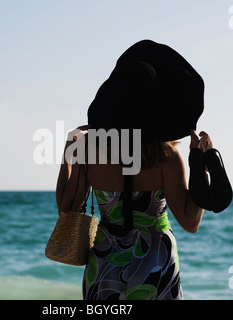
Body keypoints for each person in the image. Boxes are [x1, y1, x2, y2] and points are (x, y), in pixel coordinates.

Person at [55, 39, 213, 300]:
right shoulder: (167, 157)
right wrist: (201, 166)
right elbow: (190, 221)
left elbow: (66, 210)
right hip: (156, 266)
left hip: (104, 266)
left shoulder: (90, 153)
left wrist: (67, 156)